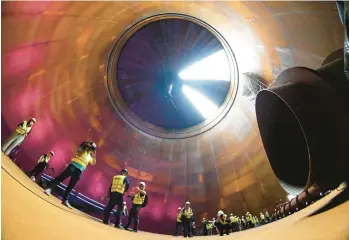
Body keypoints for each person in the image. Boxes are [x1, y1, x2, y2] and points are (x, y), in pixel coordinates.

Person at [44, 141, 97, 208]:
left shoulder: (90, 155)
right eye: (90, 146)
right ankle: (49, 189)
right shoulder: (81, 148)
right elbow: (80, 154)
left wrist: (94, 153)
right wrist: (86, 148)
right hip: (73, 166)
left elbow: (94, 163)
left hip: (79, 171)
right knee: (61, 178)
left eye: (92, 147)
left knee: (71, 186)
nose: (91, 148)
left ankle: (65, 200)